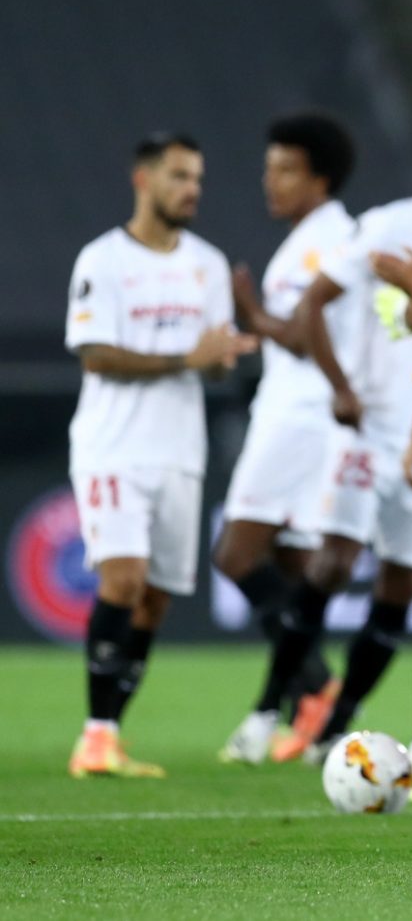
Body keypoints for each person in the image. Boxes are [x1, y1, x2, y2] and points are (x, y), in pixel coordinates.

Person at [67, 133, 254, 777]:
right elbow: (96, 355)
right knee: (122, 578)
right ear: (143, 180)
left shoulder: (208, 264)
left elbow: (212, 367)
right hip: (113, 447)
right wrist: (187, 357)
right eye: (178, 176)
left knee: (154, 600)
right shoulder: (103, 260)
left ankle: (110, 733)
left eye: (197, 177)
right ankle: (94, 736)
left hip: (180, 451)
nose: (192, 189)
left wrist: (223, 358)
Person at [214, 113, 358, 760]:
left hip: (298, 418)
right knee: (296, 566)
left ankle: (316, 687)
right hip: (301, 414)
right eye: (269, 168)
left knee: (235, 556)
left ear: (319, 179)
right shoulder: (313, 237)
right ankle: (306, 703)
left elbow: (302, 334)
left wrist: (253, 316)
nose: (270, 181)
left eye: (286, 170)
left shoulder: (324, 243)